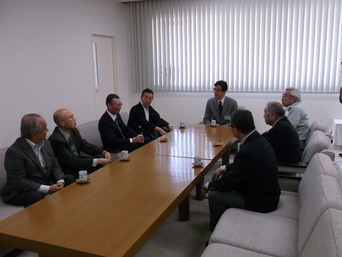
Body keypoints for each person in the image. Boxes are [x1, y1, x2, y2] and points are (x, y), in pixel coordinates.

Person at [201, 110, 280, 232]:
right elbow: (242, 165)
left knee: (215, 195)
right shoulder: (257, 139)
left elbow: (230, 182)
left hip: (262, 201)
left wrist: (207, 186)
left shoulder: (248, 150)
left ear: (235, 130)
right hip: (266, 192)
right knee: (224, 177)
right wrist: (223, 168)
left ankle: (217, 232)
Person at [0, 114, 75, 207]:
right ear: (34, 134)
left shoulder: (46, 143)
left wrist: (60, 181)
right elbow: (19, 181)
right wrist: (47, 189)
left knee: (69, 179)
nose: (47, 130)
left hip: (45, 182)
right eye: (45, 127)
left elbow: (54, 164)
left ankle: (70, 208)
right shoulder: (14, 152)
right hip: (20, 190)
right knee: (35, 196)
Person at [48, 108, 112, 178]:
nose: (74, 119)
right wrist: (97, 161)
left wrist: (103, 151)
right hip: (69, 169)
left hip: (78, 163)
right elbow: (71, 161)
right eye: (71, 117)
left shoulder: (74, 131)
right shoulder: (56, 140)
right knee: (98, 162)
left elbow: (85, 145)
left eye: (73, 116)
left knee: (102, 156)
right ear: (62, 123)